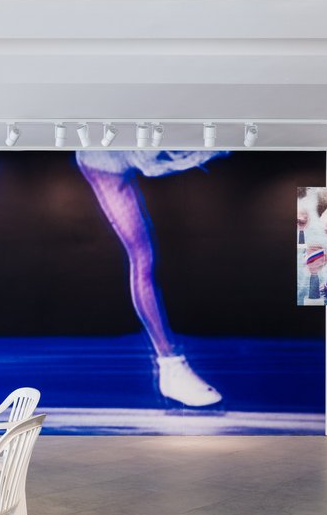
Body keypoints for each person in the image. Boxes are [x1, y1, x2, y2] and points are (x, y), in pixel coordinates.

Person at [75, 149, 222, 407]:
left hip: (129, 140)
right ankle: (171, 366)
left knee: (146, 258)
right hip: (105, 155)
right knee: (143, 258)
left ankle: (171, 366)